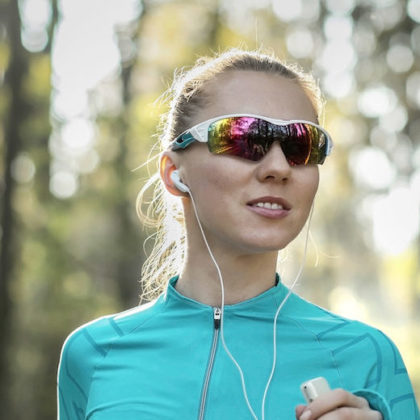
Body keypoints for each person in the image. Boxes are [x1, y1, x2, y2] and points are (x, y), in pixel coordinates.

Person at [57, 49, 419, 420]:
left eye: (300, 146)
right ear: (174, 173)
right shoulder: (92, 354)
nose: (279, 167)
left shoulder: (366, 356)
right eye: (245, 137)